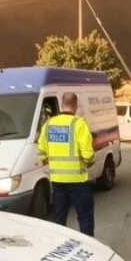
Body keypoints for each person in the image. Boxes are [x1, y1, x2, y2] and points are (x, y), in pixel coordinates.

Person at [37, 92, 96, 236]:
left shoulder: (48, 124)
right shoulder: (78, 124)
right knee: (84, 216)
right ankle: (88, 245)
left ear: (62, 105)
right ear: (75, 106)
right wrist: (89, 161)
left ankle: (60, 244)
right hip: (77, 181)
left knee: (59, 216)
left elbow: (42, 152)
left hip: (57, 181)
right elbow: (88, 154)